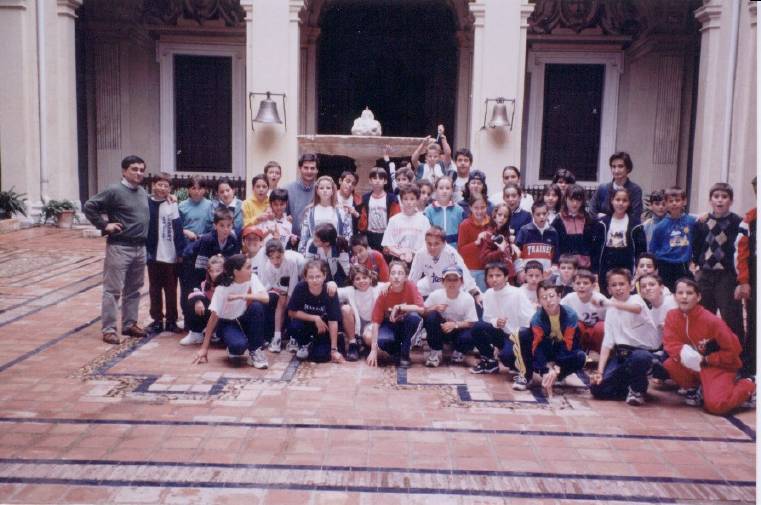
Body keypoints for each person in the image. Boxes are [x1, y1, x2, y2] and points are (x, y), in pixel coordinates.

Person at [83, 155, 150, 344]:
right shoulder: (114, 190)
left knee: (134, 289)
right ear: (124, 171)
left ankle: (129, 324)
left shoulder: (142, 192)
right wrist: (105, 225)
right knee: (112, 290)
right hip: (120, 247)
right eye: (134, 169)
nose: (139, 173)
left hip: (140, 248)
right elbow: (89, 206)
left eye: (141, 170)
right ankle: (109, 330)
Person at [663, 278, 755, 414]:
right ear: (674, 296)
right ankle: (696, 389)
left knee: (717, 406)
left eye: (689, 293)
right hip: (696, 366)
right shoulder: (672, 316)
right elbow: (669, 342)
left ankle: (749, 384)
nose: (684, 297)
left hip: (718, 366)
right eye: (680, 293)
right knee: (670, 364)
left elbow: (734, 350)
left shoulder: (711, 321)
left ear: (699, 297)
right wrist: (684, 352)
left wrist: (707, 359)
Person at [589, 269, 660, 406]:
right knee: (597, 388)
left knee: (640, 358)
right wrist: (600, 372)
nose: (618, 288)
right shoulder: (610, 307)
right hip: (622, 356)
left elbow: (636, 309)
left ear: (630, 286)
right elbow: (607, 343)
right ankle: (630, 386)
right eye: (614, 285)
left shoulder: (636, 299)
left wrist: (608, 303)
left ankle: (637, 390)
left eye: (622, 284)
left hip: (642, 352)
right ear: (608, 289)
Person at [191, 254, 270, 369]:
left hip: (243, 318)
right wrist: (204, 348)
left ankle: (255, 350)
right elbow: (213, 318)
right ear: (236, 272)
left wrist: (241, 296)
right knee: (238, 346)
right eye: (248, 267)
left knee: (256, 307)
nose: (251, 270)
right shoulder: (222, 288)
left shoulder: (252, 277)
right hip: (227, 322)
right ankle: (234, 345)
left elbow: (265, 298)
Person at [691, 182, 746, 344]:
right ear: (710, 200)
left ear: (731, 201)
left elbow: (739, 248)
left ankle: (737, 352)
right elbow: (697, 245)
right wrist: (696, 264)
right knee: (704, 314)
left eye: (724, 197)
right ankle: (707, 349)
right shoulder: (702, 222)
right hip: (705, 274)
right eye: (716, 197)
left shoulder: (737, 222)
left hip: (726, 276)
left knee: (731, 316)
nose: (720, 200)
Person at [470, 262, 535, 391]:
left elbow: (530, 318)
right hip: (501, 333)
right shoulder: (489, 293)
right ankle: (490, 361)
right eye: (491, 276)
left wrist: (519, 334)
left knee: (507, 357)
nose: (494, 279)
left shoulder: (517, 293)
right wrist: (496, 322)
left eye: (498, 275)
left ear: (506, 277)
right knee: (478, 327)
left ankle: (524, 371)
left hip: (517, 335)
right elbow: (487, 317)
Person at [530, 281, 587, 396]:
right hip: (546, 350)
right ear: (539, 301)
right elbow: (537, 347)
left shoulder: (570, 315)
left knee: (580, 356)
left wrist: (557, 366)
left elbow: (569, 344)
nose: (548, 300)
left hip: (563, 351)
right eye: (544, 298)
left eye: (552, 296)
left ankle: (558, 375)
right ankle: (540, 374)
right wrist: (546, 369)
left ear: (559, 297)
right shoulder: (536, 319)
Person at [145, 172, 185, 334]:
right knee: (154, 289)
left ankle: (171, 320)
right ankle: (156, 320)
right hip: (152, 253)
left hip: (170, 254)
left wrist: (180, 251)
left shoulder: (172, 204)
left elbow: (177, 228)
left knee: (170, 289)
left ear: (170, 188)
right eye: (159, 184)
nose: (162, 188)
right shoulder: (146, 203)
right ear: (153, 185)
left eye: (165, 186)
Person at [366, 261, 424, 368]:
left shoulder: (410, 286)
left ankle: (405, 355)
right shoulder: (384, 292)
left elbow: (421, 308)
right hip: (390, 325)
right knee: (383, 340)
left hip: (407, 324)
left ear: (406, 277)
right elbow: (376, 322)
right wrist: (373, 350)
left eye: (400, 273)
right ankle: (397, 351)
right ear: (389, 277)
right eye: (393, 273)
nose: (396, 276)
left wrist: (399, 307)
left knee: (414, 317)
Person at [287, 260, 345, 363]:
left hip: (322, 327)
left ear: (324, 276)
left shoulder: (330, 291)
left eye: (318, 276)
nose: (315, 280)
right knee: (294, 326)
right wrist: (314, 318)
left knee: (321, 357)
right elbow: (291, 312)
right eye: (311, 277)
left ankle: (317, 344)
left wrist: (334, 349)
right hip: (306, 323)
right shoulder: (300, 288)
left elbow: (333, 320)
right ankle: (304, 344)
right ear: (305, 278)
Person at [423, 266, 479, 368]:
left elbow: (472, 322)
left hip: (459, 330)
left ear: (461, 282)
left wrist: (454, 325)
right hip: (441, 329)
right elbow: (423, 312)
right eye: (448, 280)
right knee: (432, 316)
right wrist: (434, 308)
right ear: (443, 282)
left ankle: (459, 351)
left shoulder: (467, 298)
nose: (452, 283)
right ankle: (435, 351)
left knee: (471, 334)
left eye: (455, 280)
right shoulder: (436, 295)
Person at [598, 188, 647, 296]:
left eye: (624, 200)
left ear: (629, 203)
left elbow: (641, 251)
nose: (620, 203)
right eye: (617, 200)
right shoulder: (602, 223)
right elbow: (596, 249)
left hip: (626, 267)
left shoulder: (636, 225)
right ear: (612, 201)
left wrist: (637, 272)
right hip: (606, 268)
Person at [257, 239, 303, 353]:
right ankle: (277, 337)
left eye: (278, 257)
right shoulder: (268, 267)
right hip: (282, 279)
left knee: (293, 304)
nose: (275, 261)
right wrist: (283, 294)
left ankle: (294, 337)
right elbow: (275, 284)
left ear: (283, 253)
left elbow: (294, 281)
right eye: (272, 258)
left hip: (300, 272)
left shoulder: (291, 260)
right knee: (281, 303)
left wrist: (290, 299)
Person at [648, 186, 697, 292]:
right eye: (670, 201)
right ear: (666, 203)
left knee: (684, 292)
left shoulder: (691, 221)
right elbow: (653, 249)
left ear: (684, 201)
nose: (674, 203)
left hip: (683, 264)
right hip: (665, 265)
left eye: (677, 200)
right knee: (667, 294)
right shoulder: (660, 226)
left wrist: (694, 262)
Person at [408, 226, 479, 298]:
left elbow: (465, 273)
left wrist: (475, 292)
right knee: (412, 289)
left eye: (436, 244)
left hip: (450, 286)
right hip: (430, 283)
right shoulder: (420, 254)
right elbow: (413, 277)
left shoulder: (451, 253)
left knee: (473, 293)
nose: (432, 248)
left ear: (444, 243)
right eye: (429, 244)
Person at [335, 265, 386, 361]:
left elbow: (392, 284)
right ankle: (353, 344)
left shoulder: (377, 287)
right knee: (345, 309)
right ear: (353, 282)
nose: (361, 281)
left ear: (370, 278)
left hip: (372, 324)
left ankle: (365, 346)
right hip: (357, 325)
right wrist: (331, 284)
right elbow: (334, 292)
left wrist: (388, 285)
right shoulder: (350, 291)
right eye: (357, 279)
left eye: (364, 277)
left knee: (370, 339)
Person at [552, 184, 603, 273]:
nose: (575, 203)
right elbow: (555, 246)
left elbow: (595, 248)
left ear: (583, 201)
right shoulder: (558, 220)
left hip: (585, 268)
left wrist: (595, 270)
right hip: (565, 268)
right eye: (571, 200)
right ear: (565, 199)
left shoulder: (589, 220)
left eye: (578, 200)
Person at [735, 176, 756, 376]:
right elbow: (741, 253)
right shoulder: (749, 219)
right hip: (755, 276)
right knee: (754, 321)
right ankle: (750, 368)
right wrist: (744, 281)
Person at [298, 175, 352, 254]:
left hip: (335, 253)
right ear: (317, 191)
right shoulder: (310, 212)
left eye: (328, 188)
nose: (325, 190)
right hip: (314, 253)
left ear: (332, 191)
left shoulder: (341, 212)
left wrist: (345, 252)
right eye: (321, 188)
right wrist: (302, 253)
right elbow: (304, 236)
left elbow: (348, 235)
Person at [179, 254, 224, 346]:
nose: (214, 274)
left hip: (224, 317)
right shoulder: (205, 284)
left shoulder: (228, 284)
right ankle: (196, 333)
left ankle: (217, 332)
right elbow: (194, 293)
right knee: (193, 300)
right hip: (211, 315)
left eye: (218, 271)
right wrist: (198, 300)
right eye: (211, 271)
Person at [381, 184, 431, 264]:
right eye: (405, 199)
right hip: (398, 260)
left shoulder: (424, 220)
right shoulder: (394, 220)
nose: (409, 202)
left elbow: (427, 244)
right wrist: (401, 254)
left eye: (412, 199)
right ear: (401, 200)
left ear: (417, 200)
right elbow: (387, 245)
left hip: (418, 260)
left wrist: (412, 254)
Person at [589, 152, 643, 224]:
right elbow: (592, 212)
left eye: (620, 166)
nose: (616, 170)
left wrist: (605, 218)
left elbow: (635, 216)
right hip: (602, 228)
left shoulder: (635, 190)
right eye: (613, 167)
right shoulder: (602, 189)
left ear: (628, 168)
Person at [561, 270, 607, 354]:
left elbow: (612, 319)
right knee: (575, 324)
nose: (581, 286)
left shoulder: (600, 299)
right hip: (580, 331)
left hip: (596, 333)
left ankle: (598, 352)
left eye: (585, 283)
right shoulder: (569, 298)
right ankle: (578, 351)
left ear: (593, 286)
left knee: (601, 327)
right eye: (578, 283)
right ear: (573, 285)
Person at [193, 209, 240, 289]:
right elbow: (201, 266)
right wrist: (204, 286)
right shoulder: (206, 240)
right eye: (222, 225)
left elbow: (233, 264)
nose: (226, 229)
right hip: (192, 262)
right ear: (215, 226)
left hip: (218, 274)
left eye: (229, 225)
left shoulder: (233, 240)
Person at [358, 167, 400, 251]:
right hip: (370, 235)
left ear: (385, 181)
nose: (377, 181)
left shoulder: (391, 198)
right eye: (374, 178)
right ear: (370, 180)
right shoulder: (365, 198)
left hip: (386, 235)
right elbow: (362, 218)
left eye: (380, 178)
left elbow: (396, 218)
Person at [457, 195, 492, 292]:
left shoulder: (491, 223)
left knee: (485, 298)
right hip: (471, 270)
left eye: (483, 207)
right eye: (476, 208)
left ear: (487, 207)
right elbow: (461, 250)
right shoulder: (464, 225)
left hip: (488, 269)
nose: (479, 211)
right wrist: (476, 242)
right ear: (470, 208)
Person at [514, 200, 559, 275]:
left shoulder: (553, 232)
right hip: (528, 275)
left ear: (548, 214)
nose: (542, 217)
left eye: (544, 214)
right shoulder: (524, 230)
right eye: (538, 214)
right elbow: (517, 253)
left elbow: (556, 256)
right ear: (533, 215)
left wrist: (552, 269)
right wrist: (520, 271)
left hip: (546, 275)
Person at [286, 153, 318, 244]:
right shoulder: (287, 189)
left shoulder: (321, 190)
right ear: (300, 168)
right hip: (293, 242)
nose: (309, 171)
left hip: (316, 243)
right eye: (306, 168)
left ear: (317, 170)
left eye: (312, 168)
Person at [423, 176, 465, 245]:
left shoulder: (459, 210)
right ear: (436, 190)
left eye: (447, 188)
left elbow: (464, 232)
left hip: (454, 248)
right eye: (441, 188)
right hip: (435, 248)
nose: (444, 191)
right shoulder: (428, 211)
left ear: (452, 191)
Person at [639, 273, 676, 342]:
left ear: (661, 288)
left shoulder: (675, 300)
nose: (647, 288)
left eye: (652, 285)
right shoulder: (649, 315)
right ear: (641, 293)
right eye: (643, 286)